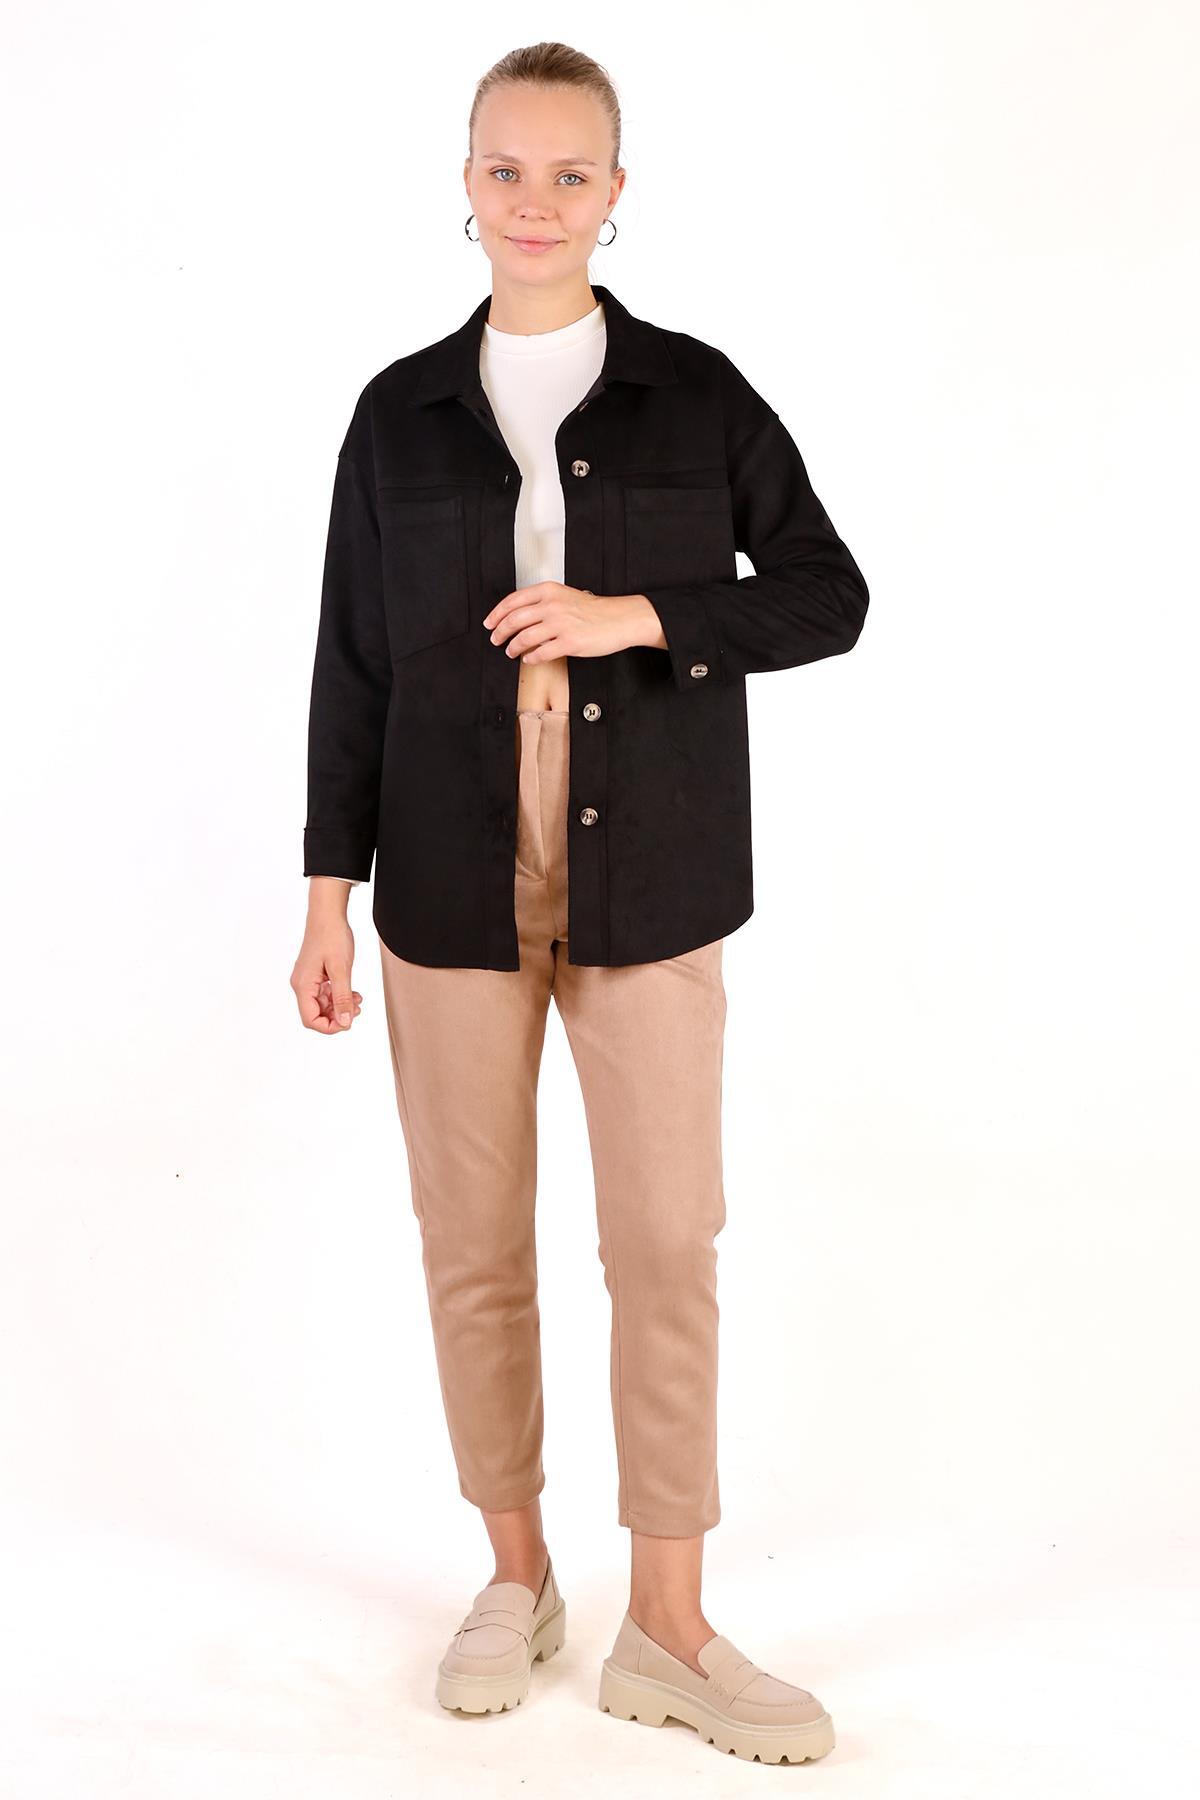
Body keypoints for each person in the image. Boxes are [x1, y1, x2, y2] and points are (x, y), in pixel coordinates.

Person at [291, 40, 868, 1767]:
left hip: (655, 867)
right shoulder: (398, 413)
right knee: (472, 1243)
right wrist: (327, 893)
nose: (533, 203)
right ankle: (516, 1576)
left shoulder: (697, 394)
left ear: (618, 194)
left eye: (567, 174)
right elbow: (351, 664)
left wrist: (642, 614)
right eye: (505, 169)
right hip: (442, 872)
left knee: (666, 1243)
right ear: (464, 185)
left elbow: (829, 593)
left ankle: (670, 1628)